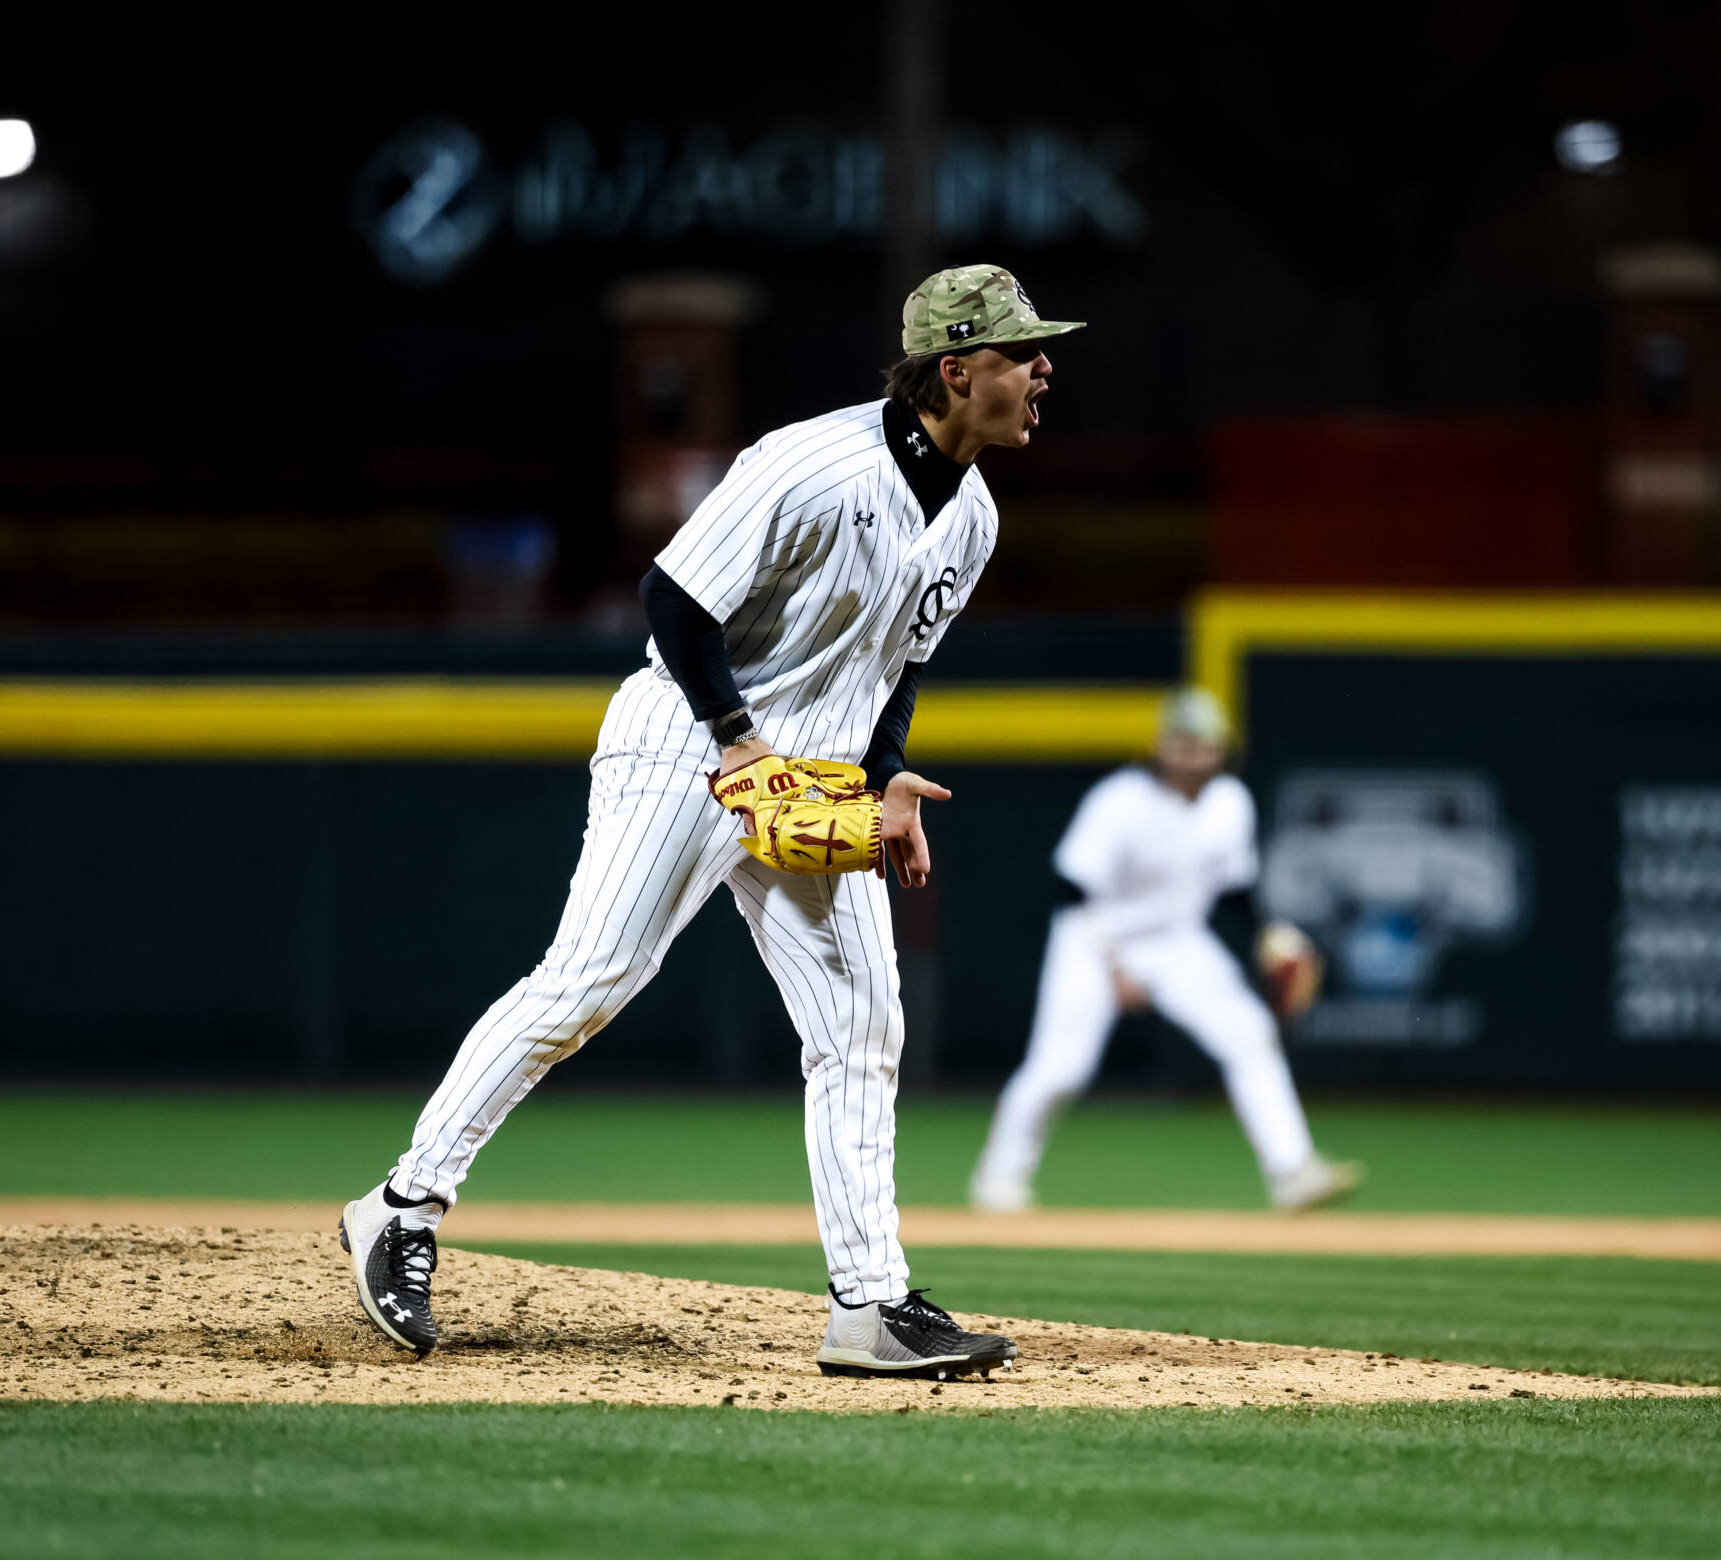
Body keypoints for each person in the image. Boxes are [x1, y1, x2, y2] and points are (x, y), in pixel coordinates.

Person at [339, 265, 1081, 1377]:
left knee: (863, 1023)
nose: (1043, 370)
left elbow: (897, 669)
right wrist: (739, 739)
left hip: (814, 781)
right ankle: (400, 1208)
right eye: (1023, 353)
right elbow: (675, 600)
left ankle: (870, 1306)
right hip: (690, 743)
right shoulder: (811, 463)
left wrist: (885, 780)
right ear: (955, 368)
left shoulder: (970, 515)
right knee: (592, 978)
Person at [969, 688, 1361, 1213]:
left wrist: (1269, 933)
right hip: (1093, 938)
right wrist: (1115, 966)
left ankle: (1292, 1171)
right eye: (1182, 740)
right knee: (1061, 1067)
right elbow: (1072, 888)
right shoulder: (1121, 799)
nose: (1193, 751)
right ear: (1161, 745)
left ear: (1222, 749)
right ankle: (999, 1179)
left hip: (1178, 941)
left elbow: (1236, 891)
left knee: (1249, 1034)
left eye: (1204, 742)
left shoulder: (1230, 802)